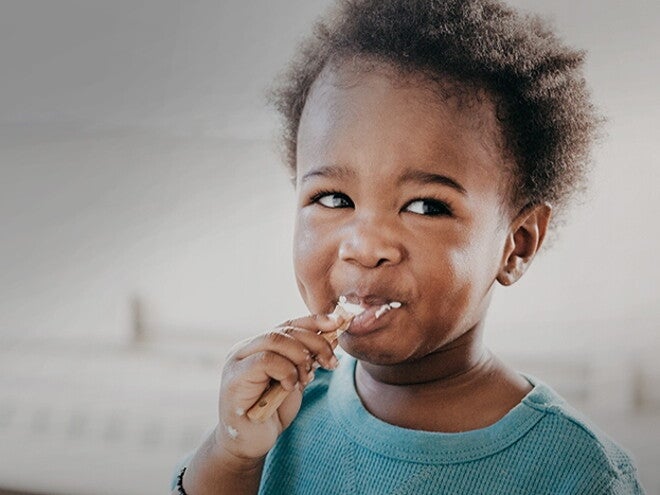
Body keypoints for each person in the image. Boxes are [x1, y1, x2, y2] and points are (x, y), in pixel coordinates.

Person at [172, 0, 644, 493]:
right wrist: (230, 455)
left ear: (517, 244)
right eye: (334, 198)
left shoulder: (579, 473)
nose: (365, 246)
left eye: (424, 206)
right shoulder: (275, 420)